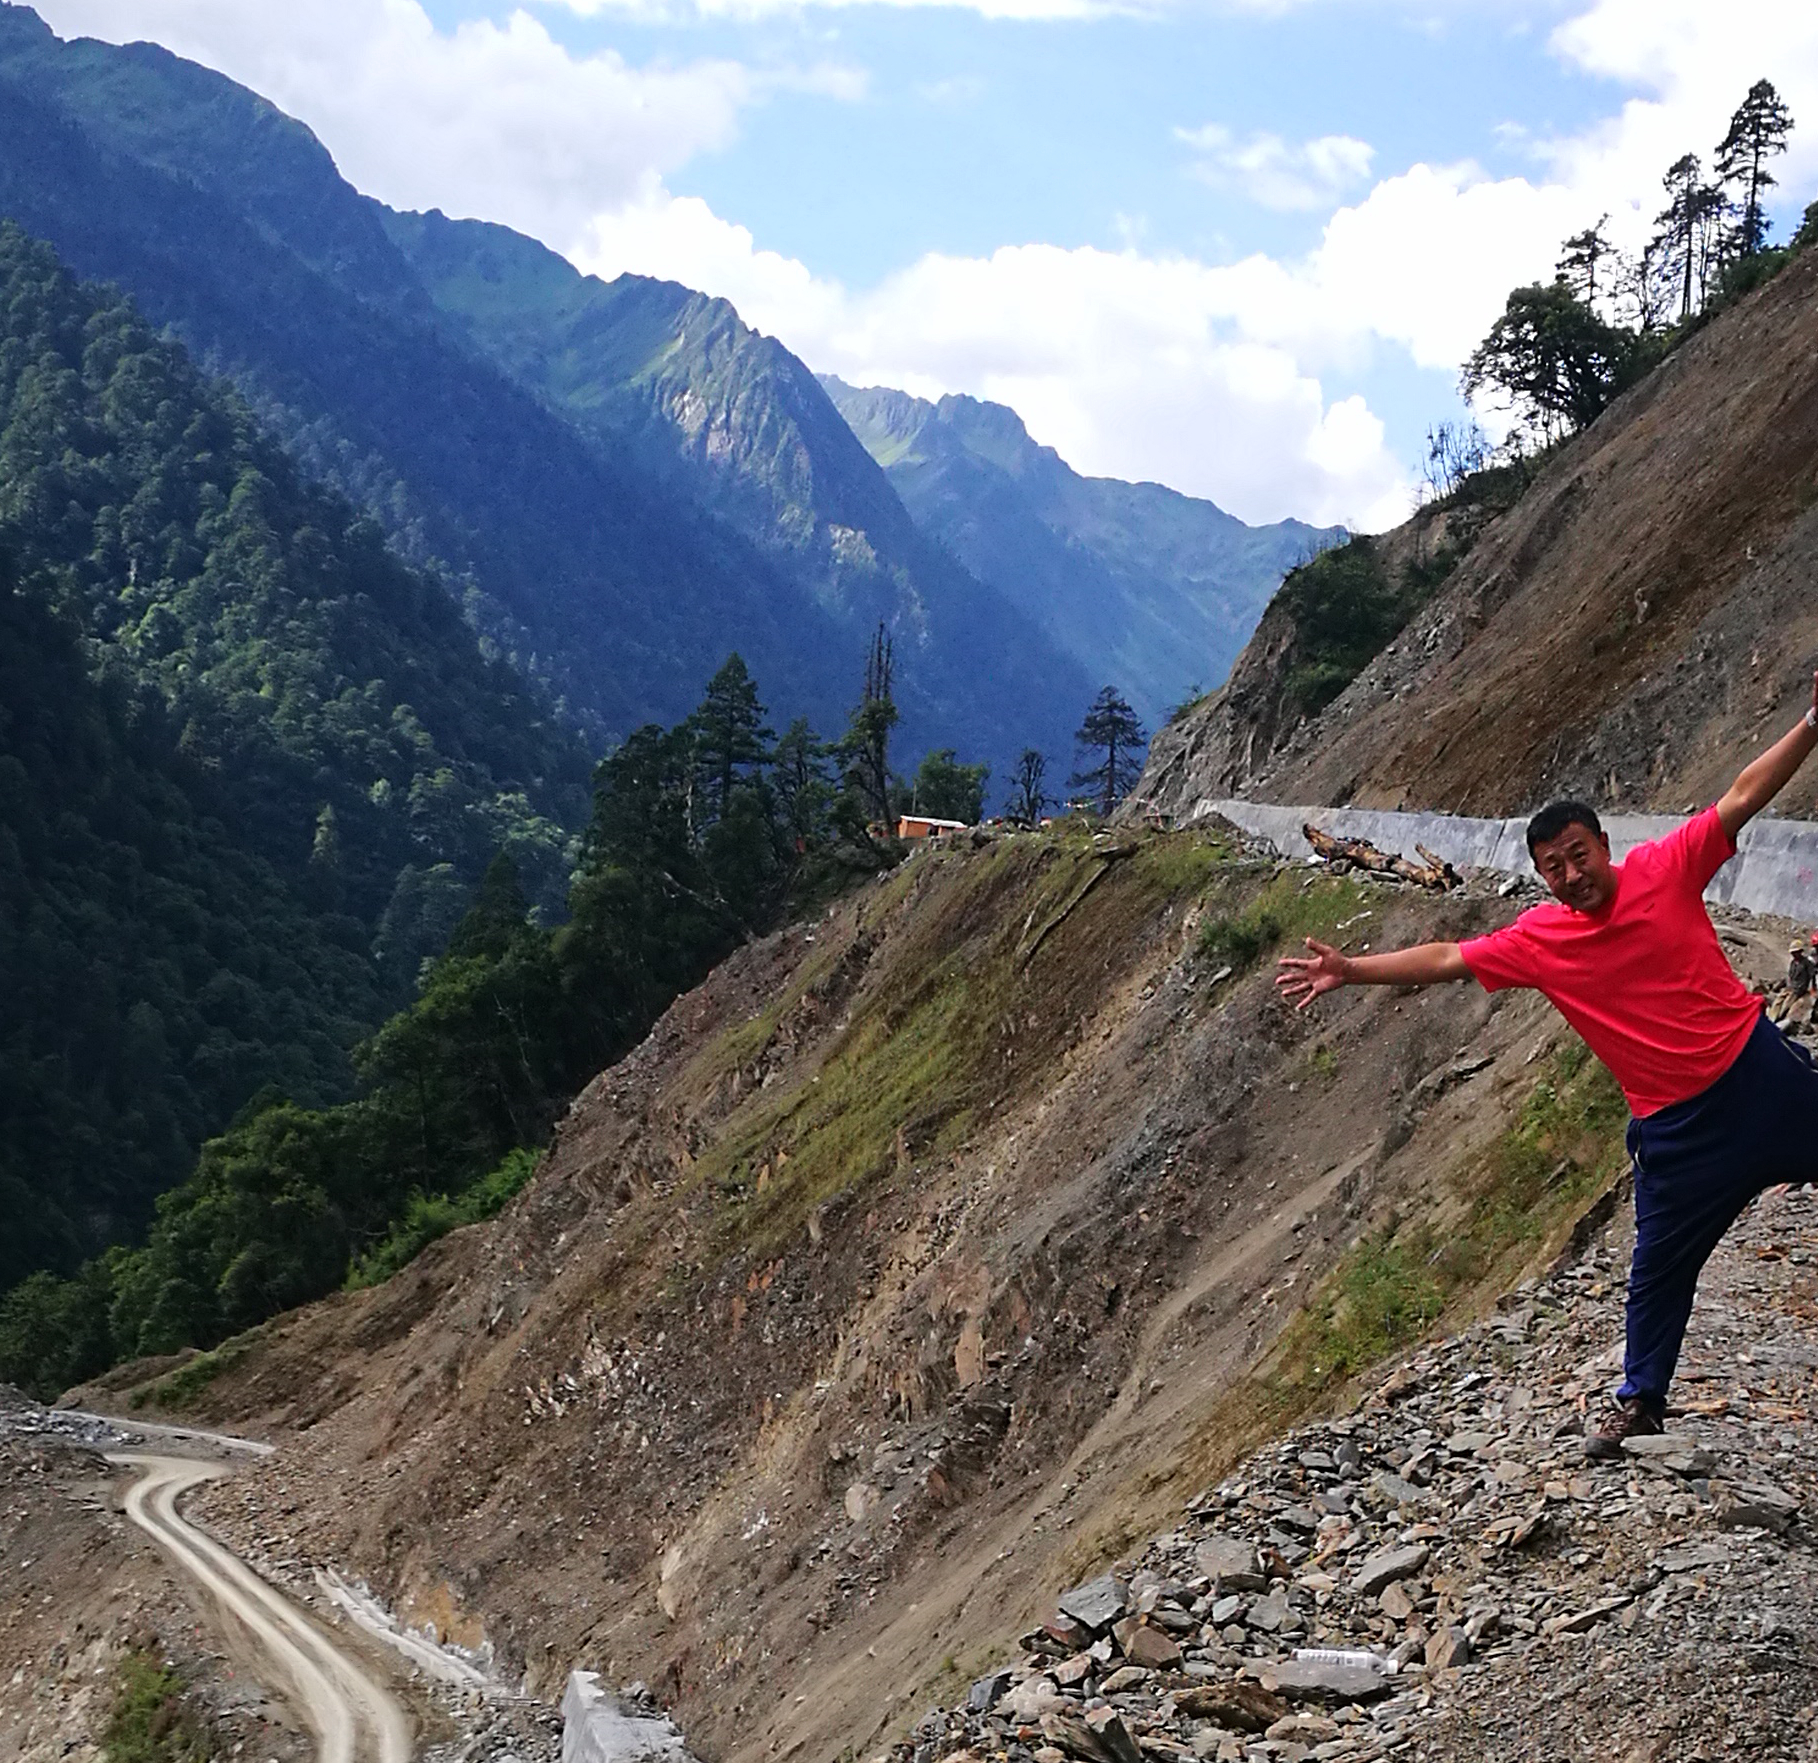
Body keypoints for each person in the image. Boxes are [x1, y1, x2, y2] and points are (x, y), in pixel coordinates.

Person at [1276, 674, 1818, 1460]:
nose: (1571, 874)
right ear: (1541, 878)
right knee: (1657, 1269)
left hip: (1755, 1074)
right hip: (1676, 1128)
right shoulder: (1539, 939)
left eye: (1578, 855)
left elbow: (1741, 795)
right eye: (1553, 868)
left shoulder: (1668, 868)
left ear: (1603, 846)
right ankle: (1641, 1402)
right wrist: (1353, 969)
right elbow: (1448, 955)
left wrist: (1808, 723)